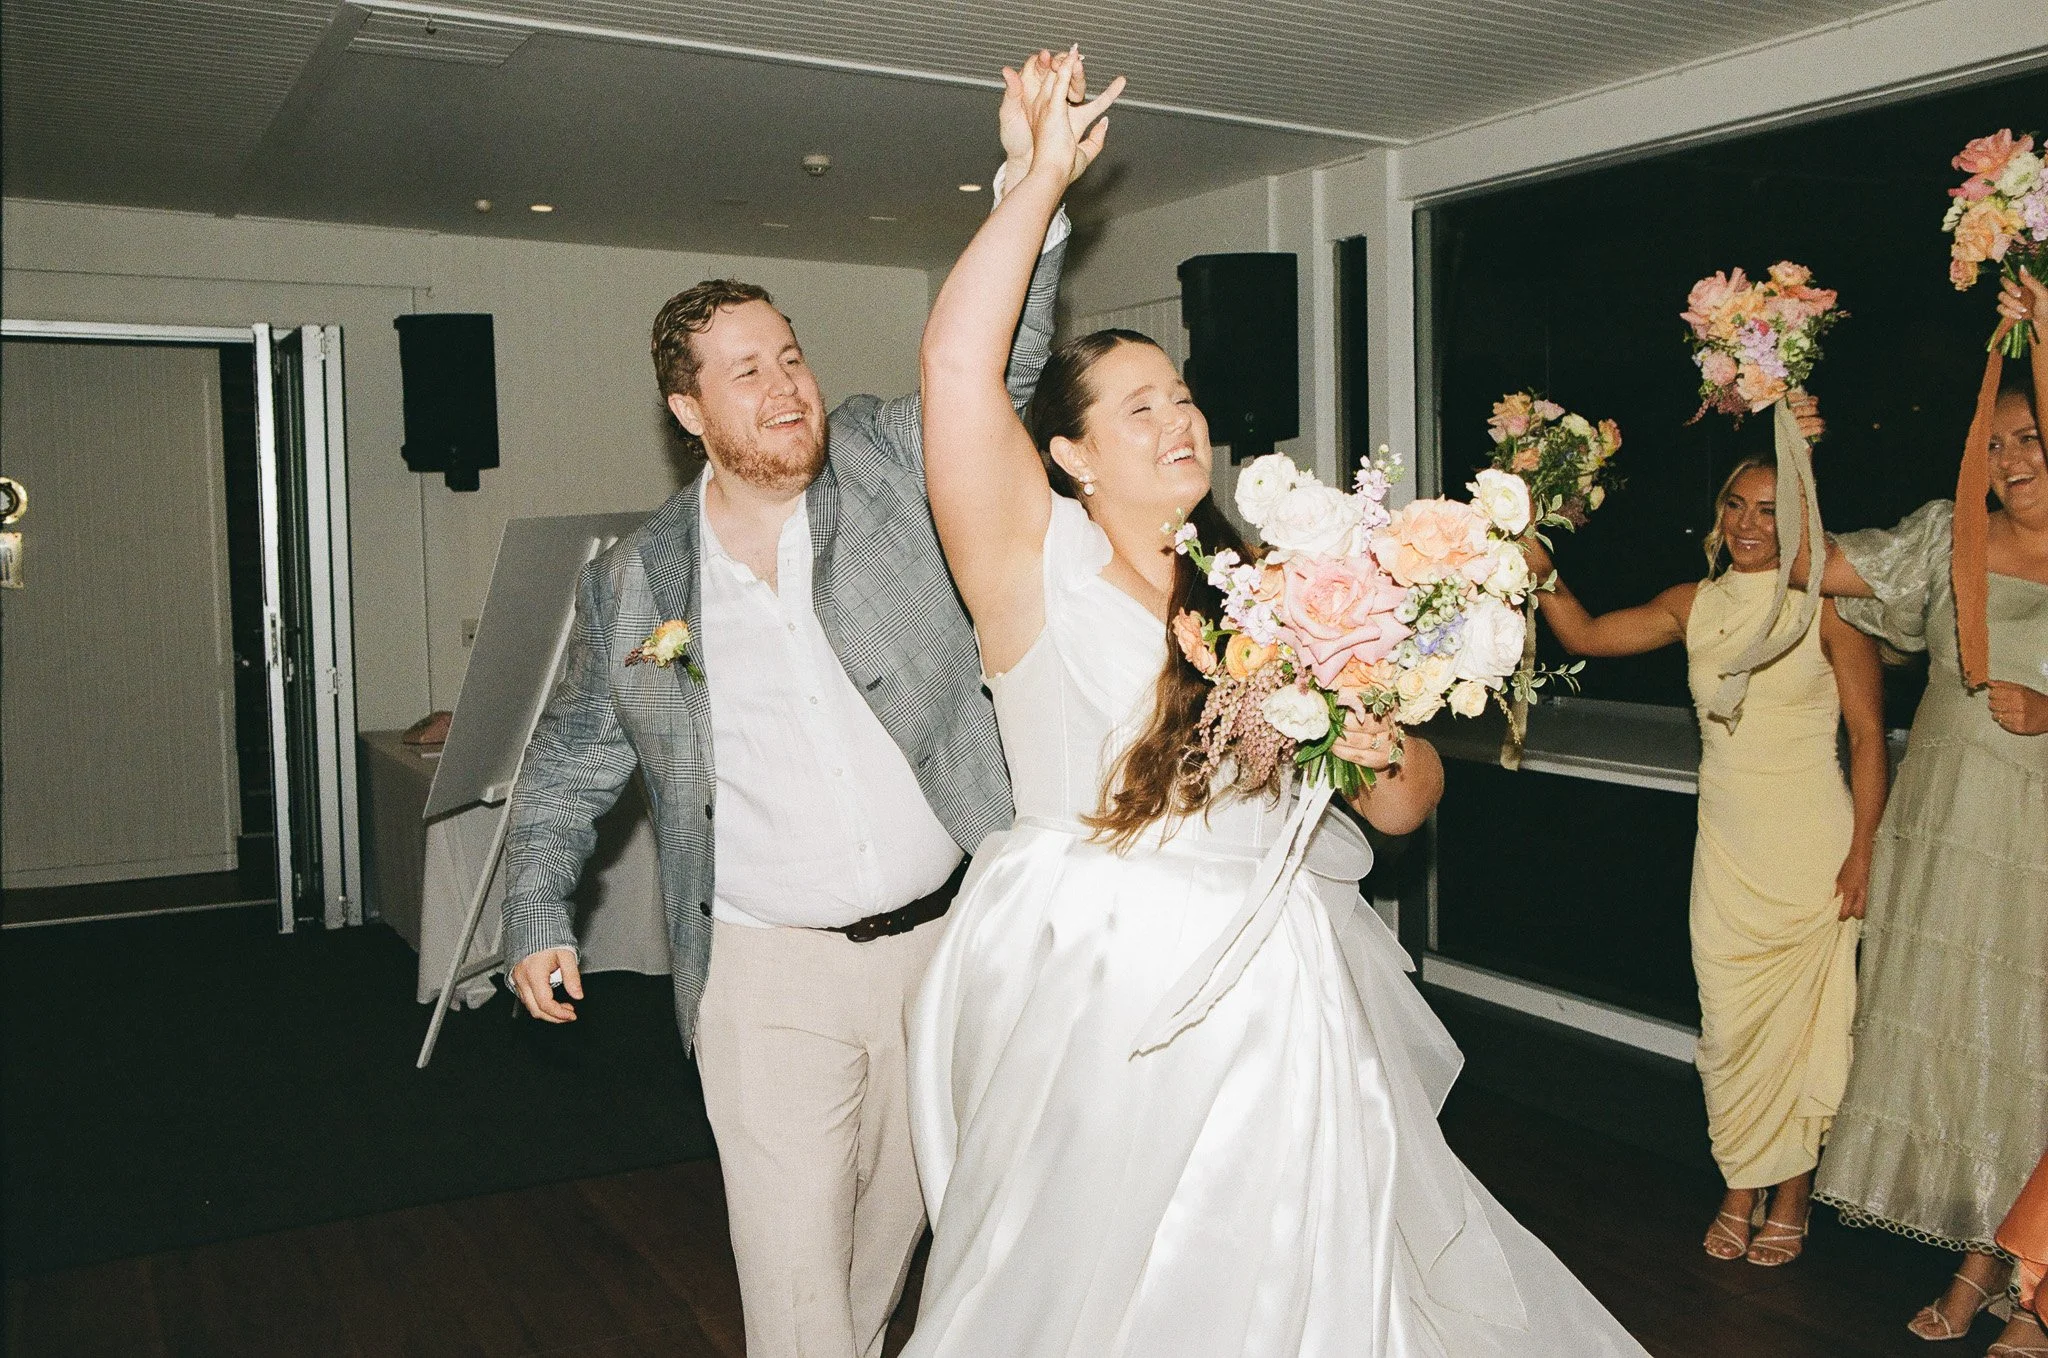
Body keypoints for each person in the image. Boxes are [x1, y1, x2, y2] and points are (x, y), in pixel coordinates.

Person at [902, 49, 1650, 1356]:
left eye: (1183, 397)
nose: (1177, 420)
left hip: (1275, 982)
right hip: (1102, 976)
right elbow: (956, 374)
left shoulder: (1274, 599)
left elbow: (1409, 806)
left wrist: (1371, 740)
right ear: (1068, 455)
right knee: (1093, 1277)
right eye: (1138, 407)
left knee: (1297, 1276)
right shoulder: (1031, 566)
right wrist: (1037, 187)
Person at [495, 62, 1076, 1358]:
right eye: (746, 371)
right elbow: (573, 759)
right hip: (767, 977)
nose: (788, 386)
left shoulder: (883, 461)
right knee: (797, 1293)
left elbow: (1001, 356)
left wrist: (1032, 184)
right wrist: (536, 907)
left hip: (946, 949)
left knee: (890, 1258)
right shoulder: (638, 579)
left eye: (794, 355)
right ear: (689, 409)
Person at [1520, 435, 1887, 1269]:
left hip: (1812, 843)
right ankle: (1740, 1184)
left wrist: (1862, 853)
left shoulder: (1827, 603)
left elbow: (1868, 738)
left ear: (1799, 520)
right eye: (1737, 506)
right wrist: (1529, 548)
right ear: (1718, 518)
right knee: (1727, 1023)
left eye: (1771, 510)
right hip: (1727, 843)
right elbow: (1581, 632)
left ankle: (1788, 1200)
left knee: (1806, 1029)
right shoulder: (1693, 601)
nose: (1751, 524)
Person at [1803, 268, 2048, 1345]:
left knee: (2029, 1045)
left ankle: (1993, 1275)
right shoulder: (1940, 535)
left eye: (2029, 435)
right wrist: (1784, 435)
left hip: (2037, 829)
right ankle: (1987, 1252)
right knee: (1959, 1041)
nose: (2011, 460)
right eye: (1992, 443)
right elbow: (1805, 564)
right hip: (1943, 824)